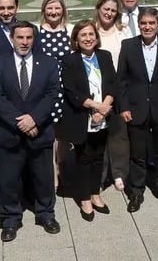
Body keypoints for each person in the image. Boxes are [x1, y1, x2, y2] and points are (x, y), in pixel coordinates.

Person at [0, 21, 61, 242]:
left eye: (29, 37)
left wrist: (34, 119)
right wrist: (20, 122)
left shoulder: (48, 63)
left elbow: (52, 94)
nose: (24, 42)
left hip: (39, 131)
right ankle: (10, 219)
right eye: (20, 37)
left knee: (43, 178)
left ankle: (46, 214)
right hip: (9, 133)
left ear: (34, 39)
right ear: (12, 38)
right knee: (8, 180)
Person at [118, 8, 158, 212]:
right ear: (139, 24)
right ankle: (136, 192)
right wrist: (124, 107)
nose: (147, 27)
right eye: (144, 23)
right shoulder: (128, 46)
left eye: (151, 23)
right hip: (136, 108)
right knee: (137, 154)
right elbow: (122, 80)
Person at [60, 20, 116, 221]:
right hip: (82, 117)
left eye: (91, 34)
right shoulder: (70, 60)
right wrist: (95, 106)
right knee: (83, 158)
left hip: (104, 116)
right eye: (83, 35)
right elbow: (71, 91)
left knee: (99, 156)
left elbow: (113, 83)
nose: (88, 38)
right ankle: (84, 197)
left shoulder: (104, 56)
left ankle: (95, 193)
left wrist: (105, 107)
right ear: (76, 39)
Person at [93, 0, 132, 192]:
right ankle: (99, 175)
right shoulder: (91, 30)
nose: (109, 13)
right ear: (98, 8)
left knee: (119, 134)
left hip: (119, 89)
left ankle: (118, 173)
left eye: (113, 10)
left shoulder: (123, 31)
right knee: (98, 135)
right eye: (106, 9)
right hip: (96, 91)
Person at [37, 0, 72, 188]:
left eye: (57, 8)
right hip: (45, 90)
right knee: (48, 132)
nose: (53, 11)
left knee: (63, 133)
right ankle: (51, 171)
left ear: (63, 10)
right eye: (49, 8)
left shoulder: (69, 30)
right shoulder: (36, 32)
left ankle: (61, 165)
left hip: (66, 89)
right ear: (44, 10)